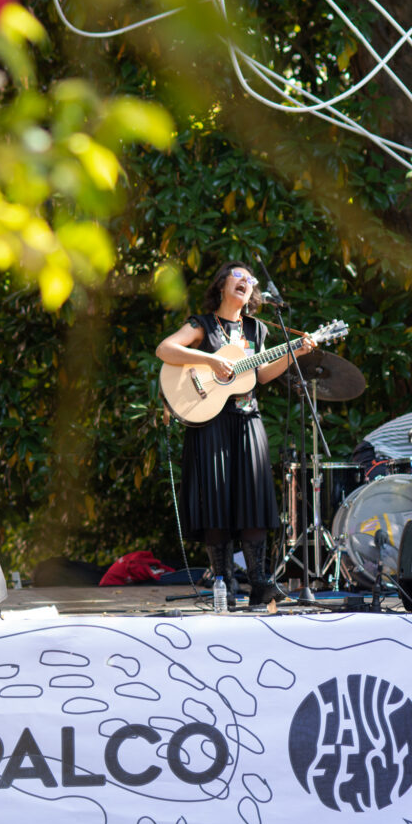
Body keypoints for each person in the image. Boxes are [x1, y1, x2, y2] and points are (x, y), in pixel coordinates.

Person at [156, 260, 314, 609]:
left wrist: (295, 352)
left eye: (250, 279)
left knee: (253, 499)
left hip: (247, 420)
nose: (246, 281)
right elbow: (165, 349)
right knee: (215, 502)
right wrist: (211, 362)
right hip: (210, 421)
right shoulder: (203, 325)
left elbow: (259, 375)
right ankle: (222, 582)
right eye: (238, 276)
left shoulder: (258, 330)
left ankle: (259, 583)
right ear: (222, 285)